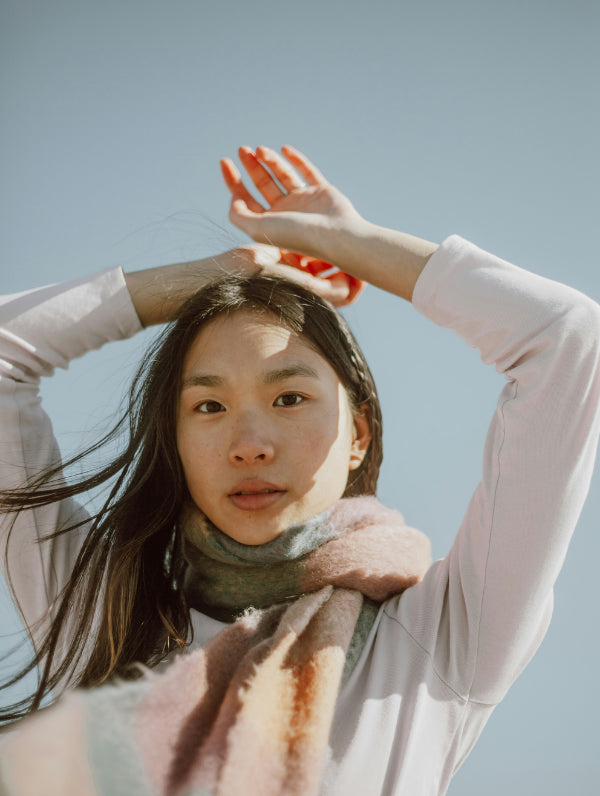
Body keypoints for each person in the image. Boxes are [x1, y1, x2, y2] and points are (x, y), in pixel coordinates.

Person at [0, 146, 598, 796]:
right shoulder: (106, 621)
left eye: (289, 398)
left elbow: (565, 337)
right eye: (208, 405)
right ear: (177, 442)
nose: (250, 443)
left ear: (358, 433)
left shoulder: (443, 634)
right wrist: (220, 275)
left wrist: (353, 244)